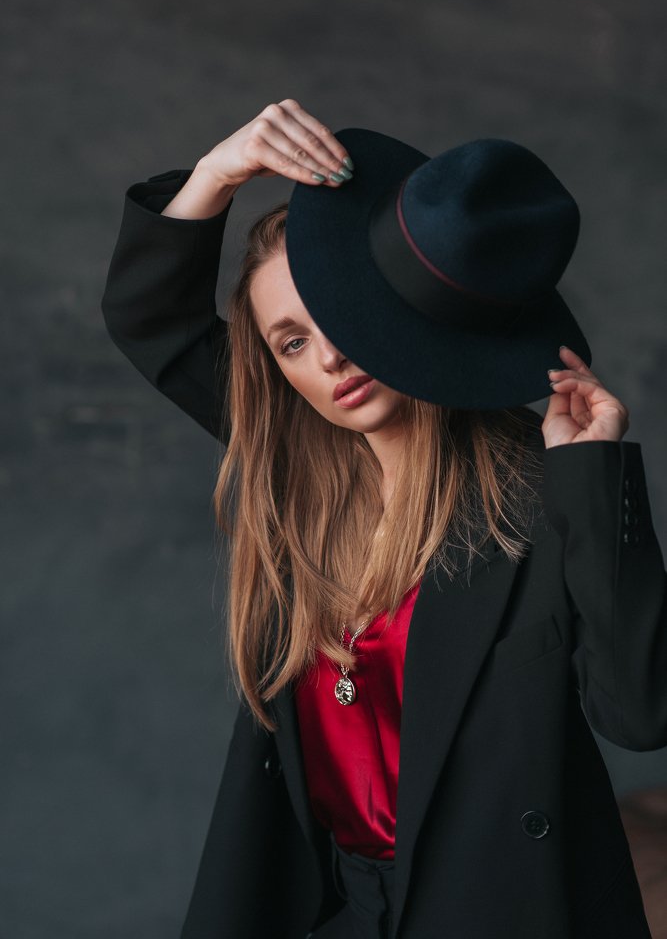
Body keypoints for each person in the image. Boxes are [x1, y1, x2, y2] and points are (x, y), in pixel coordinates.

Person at [102, 98, 667, 939]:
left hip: (494, 906)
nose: (326, 358)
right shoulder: (297, 467)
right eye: (290, 342)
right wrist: (216, 175)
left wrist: (590, 471)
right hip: (329, 903)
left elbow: (640, 713)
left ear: (387, 311)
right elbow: (152, 320)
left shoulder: (538, 489)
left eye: (331, 320)